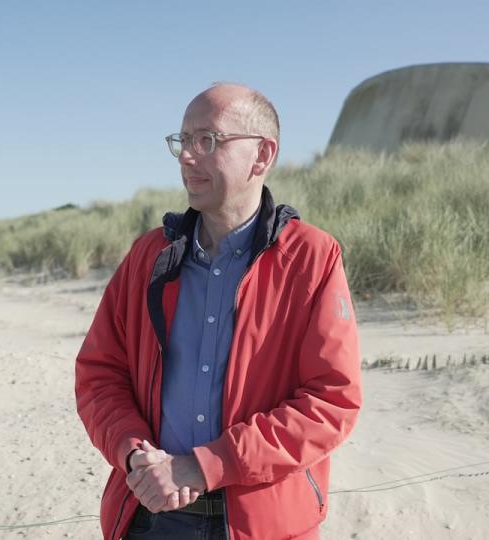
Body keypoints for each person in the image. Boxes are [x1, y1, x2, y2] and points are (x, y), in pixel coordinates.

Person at [75, 83, 362, 540]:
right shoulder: (149, 255)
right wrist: (135, 455)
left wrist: (204, 466)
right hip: (151, 517)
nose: (187, 156)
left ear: (262, 156)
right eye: (183, 141)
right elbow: (99, 374)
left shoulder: (311, 257)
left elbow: (331, 402)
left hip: (265, 523)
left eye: (207, 140)